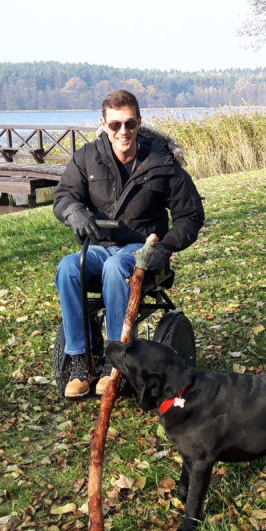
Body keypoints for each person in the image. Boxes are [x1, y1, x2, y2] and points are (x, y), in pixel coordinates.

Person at [53, 89, 205, 398]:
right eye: (115, 125)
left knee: (114, 267)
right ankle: (80, 360)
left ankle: (116, 364)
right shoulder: (87, 158)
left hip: (142, 251)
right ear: (104, 123)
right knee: (69, 267)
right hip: (97, 247)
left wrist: (164, 248)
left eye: (130, 124)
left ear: (139, 123)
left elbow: (190, 215)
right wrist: (74, 212)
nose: (123, 131)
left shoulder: (161, 162)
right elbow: (64, 196)